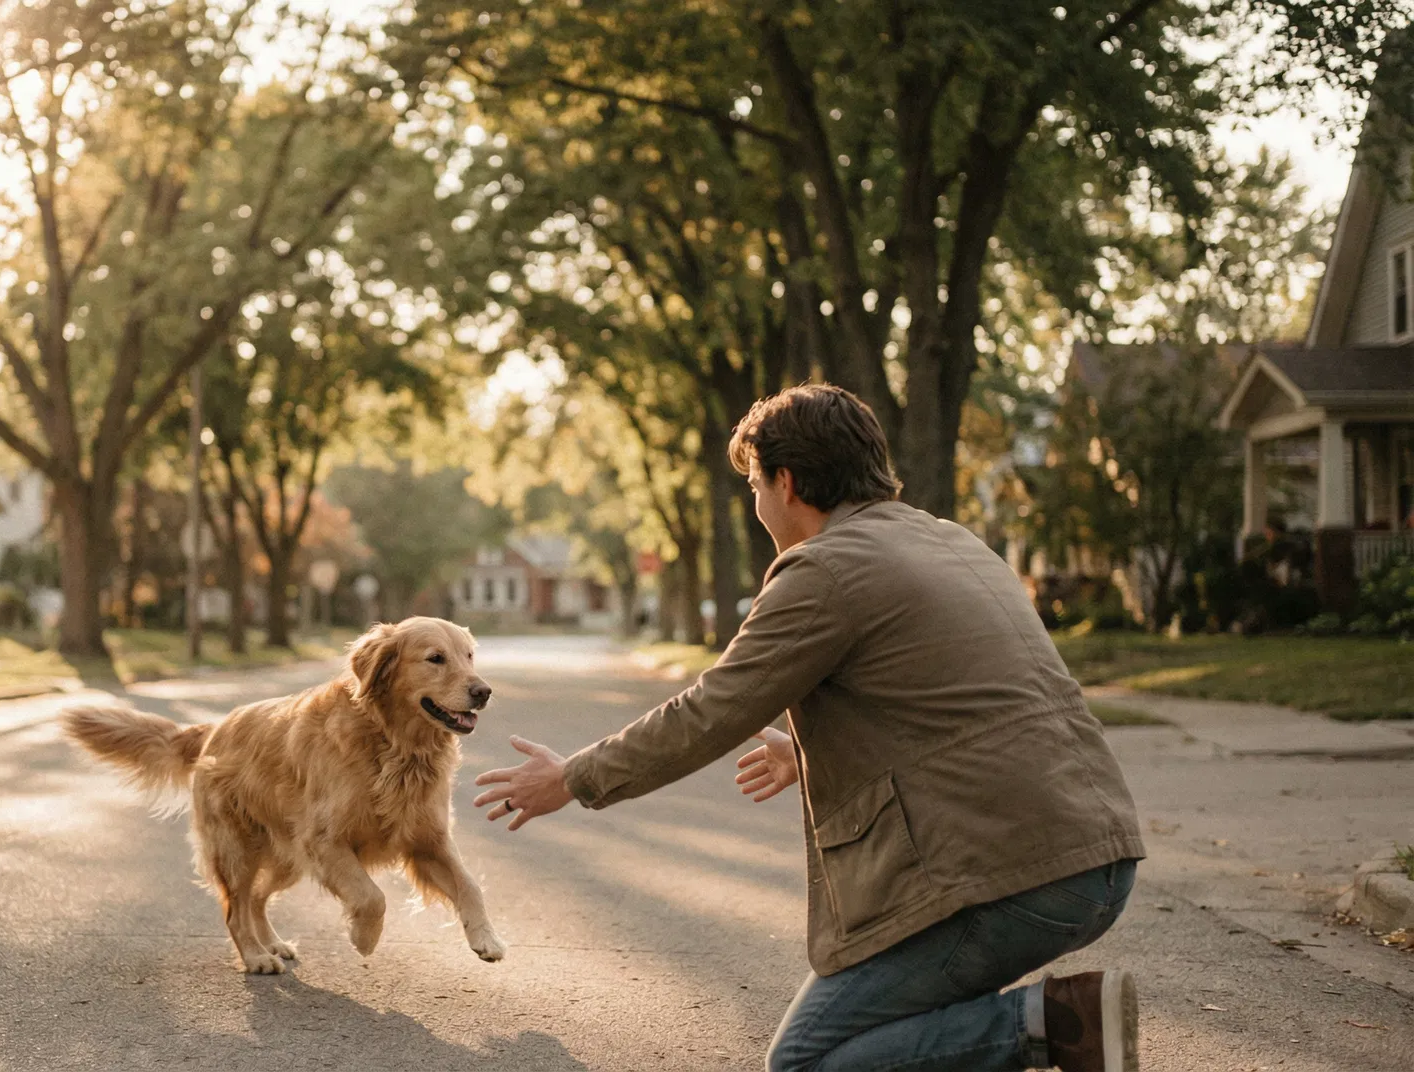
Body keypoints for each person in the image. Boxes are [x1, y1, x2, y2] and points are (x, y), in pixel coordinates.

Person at [474, 384, 1145, 1072]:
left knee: (810, 1062)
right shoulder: (950, 540)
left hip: (1016, 878)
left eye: (755, 485)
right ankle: (1049, 1025)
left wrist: (571, 778)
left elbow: (710, 711)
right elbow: (959, 696)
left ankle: (1054, 1022)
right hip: (1096, 855)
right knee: (893, 1048)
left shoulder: (825, 569)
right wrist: (806, 749)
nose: (758, 505)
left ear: (787, 483)